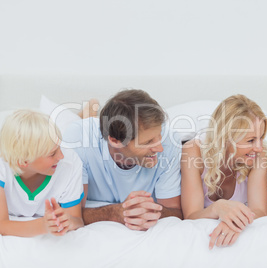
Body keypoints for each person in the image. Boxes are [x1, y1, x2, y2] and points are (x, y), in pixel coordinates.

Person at [63, 89, 183, 231]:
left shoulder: (170, 141)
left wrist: (149, 211)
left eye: (159, 135)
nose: (160, 149)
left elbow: (176, 212)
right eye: (148, 142)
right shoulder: (77, 139)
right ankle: (86, 113)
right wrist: (115, 212)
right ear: (115, 141)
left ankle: (90, 112)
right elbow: (72, 215)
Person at [181, 94, 267, 249]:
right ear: (225, 138)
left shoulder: (260, 155)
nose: (259, 147)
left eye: (261, 138)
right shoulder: (192, 151)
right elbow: (190, 216)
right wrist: (217, 207)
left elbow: (260, 210)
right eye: (250, 140)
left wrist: (236, 222)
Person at [0, 110, 84, 237]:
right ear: (23, 161)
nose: (61, 156)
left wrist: (68, 221)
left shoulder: (70, 162)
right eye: (52, 154)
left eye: (60, 147)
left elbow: (77, 220)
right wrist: (43, 225)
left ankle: (84, 114)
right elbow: (0, 226)